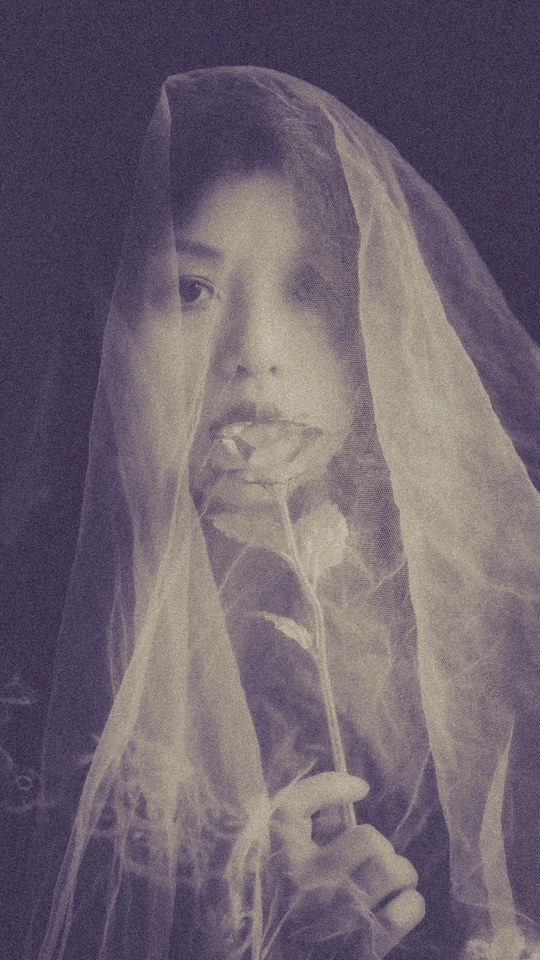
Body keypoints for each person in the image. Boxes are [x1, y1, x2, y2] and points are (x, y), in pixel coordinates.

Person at [26, 67, 540, 960]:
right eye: (190, 290)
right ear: (108, 328)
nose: (257, 353)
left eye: (307, 289)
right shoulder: (29, 647)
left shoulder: (486, 619)